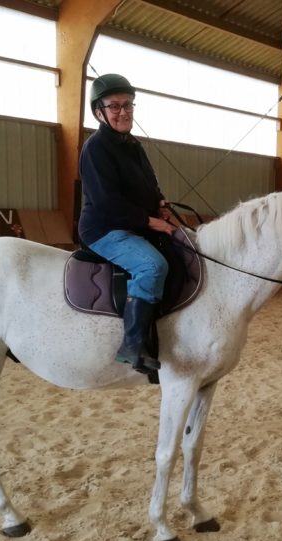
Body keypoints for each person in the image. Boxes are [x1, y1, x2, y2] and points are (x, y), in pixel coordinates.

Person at [78, 73, 175, 374]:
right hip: (105, 229)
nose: (123, 112)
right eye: (115, 106)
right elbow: (108, 202)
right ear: (99, 112)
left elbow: (148, 183)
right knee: (152, 266)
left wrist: (160, 204)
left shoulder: (132, 145)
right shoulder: (95, 148)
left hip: (136, 223)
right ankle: (132, 344)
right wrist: (152, 223)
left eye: (128, 105)